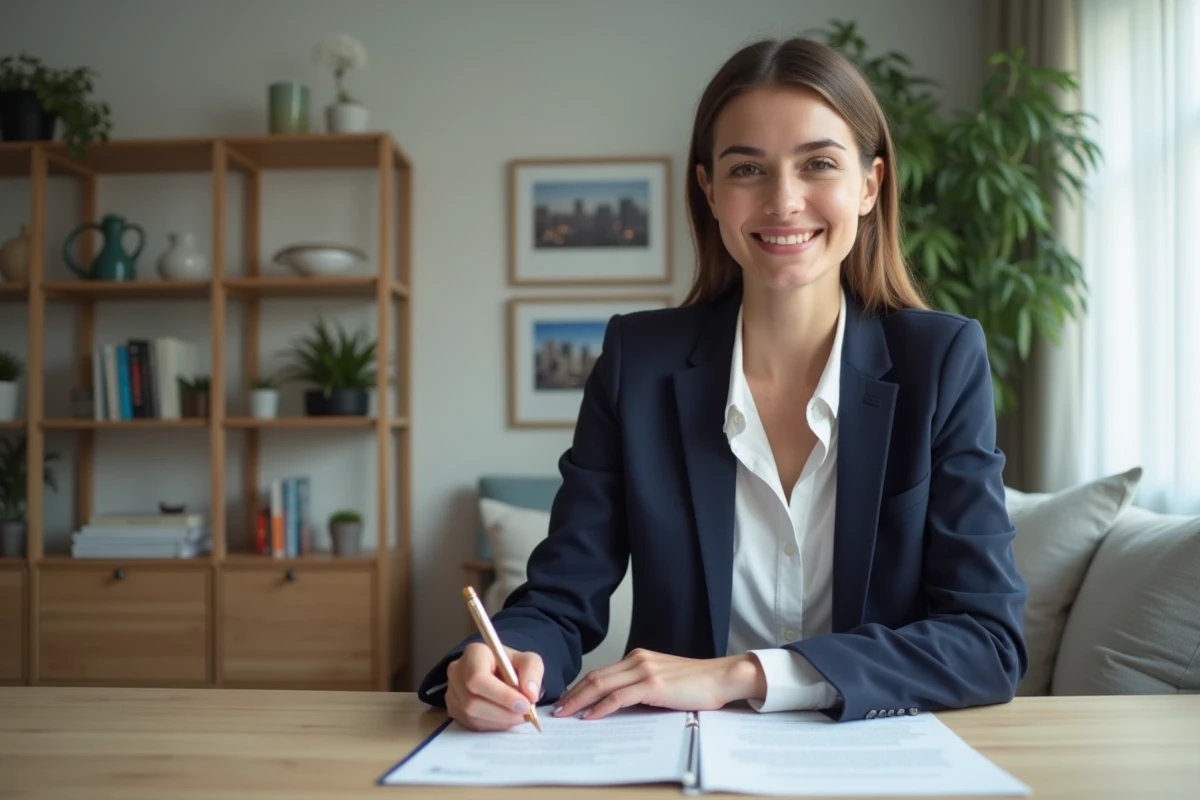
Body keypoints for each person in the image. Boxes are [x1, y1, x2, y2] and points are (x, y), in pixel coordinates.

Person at [418, 35, 1028, 731]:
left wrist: (743, 674)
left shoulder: (941, 360)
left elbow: (987, 640)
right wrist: (496, 661)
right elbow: (560, 599)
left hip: (870, 757)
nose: (783, 200)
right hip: (678, 760)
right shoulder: (638, 361)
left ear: (869, 186)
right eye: (747, 170)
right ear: (709, 190)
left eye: (819, 164)